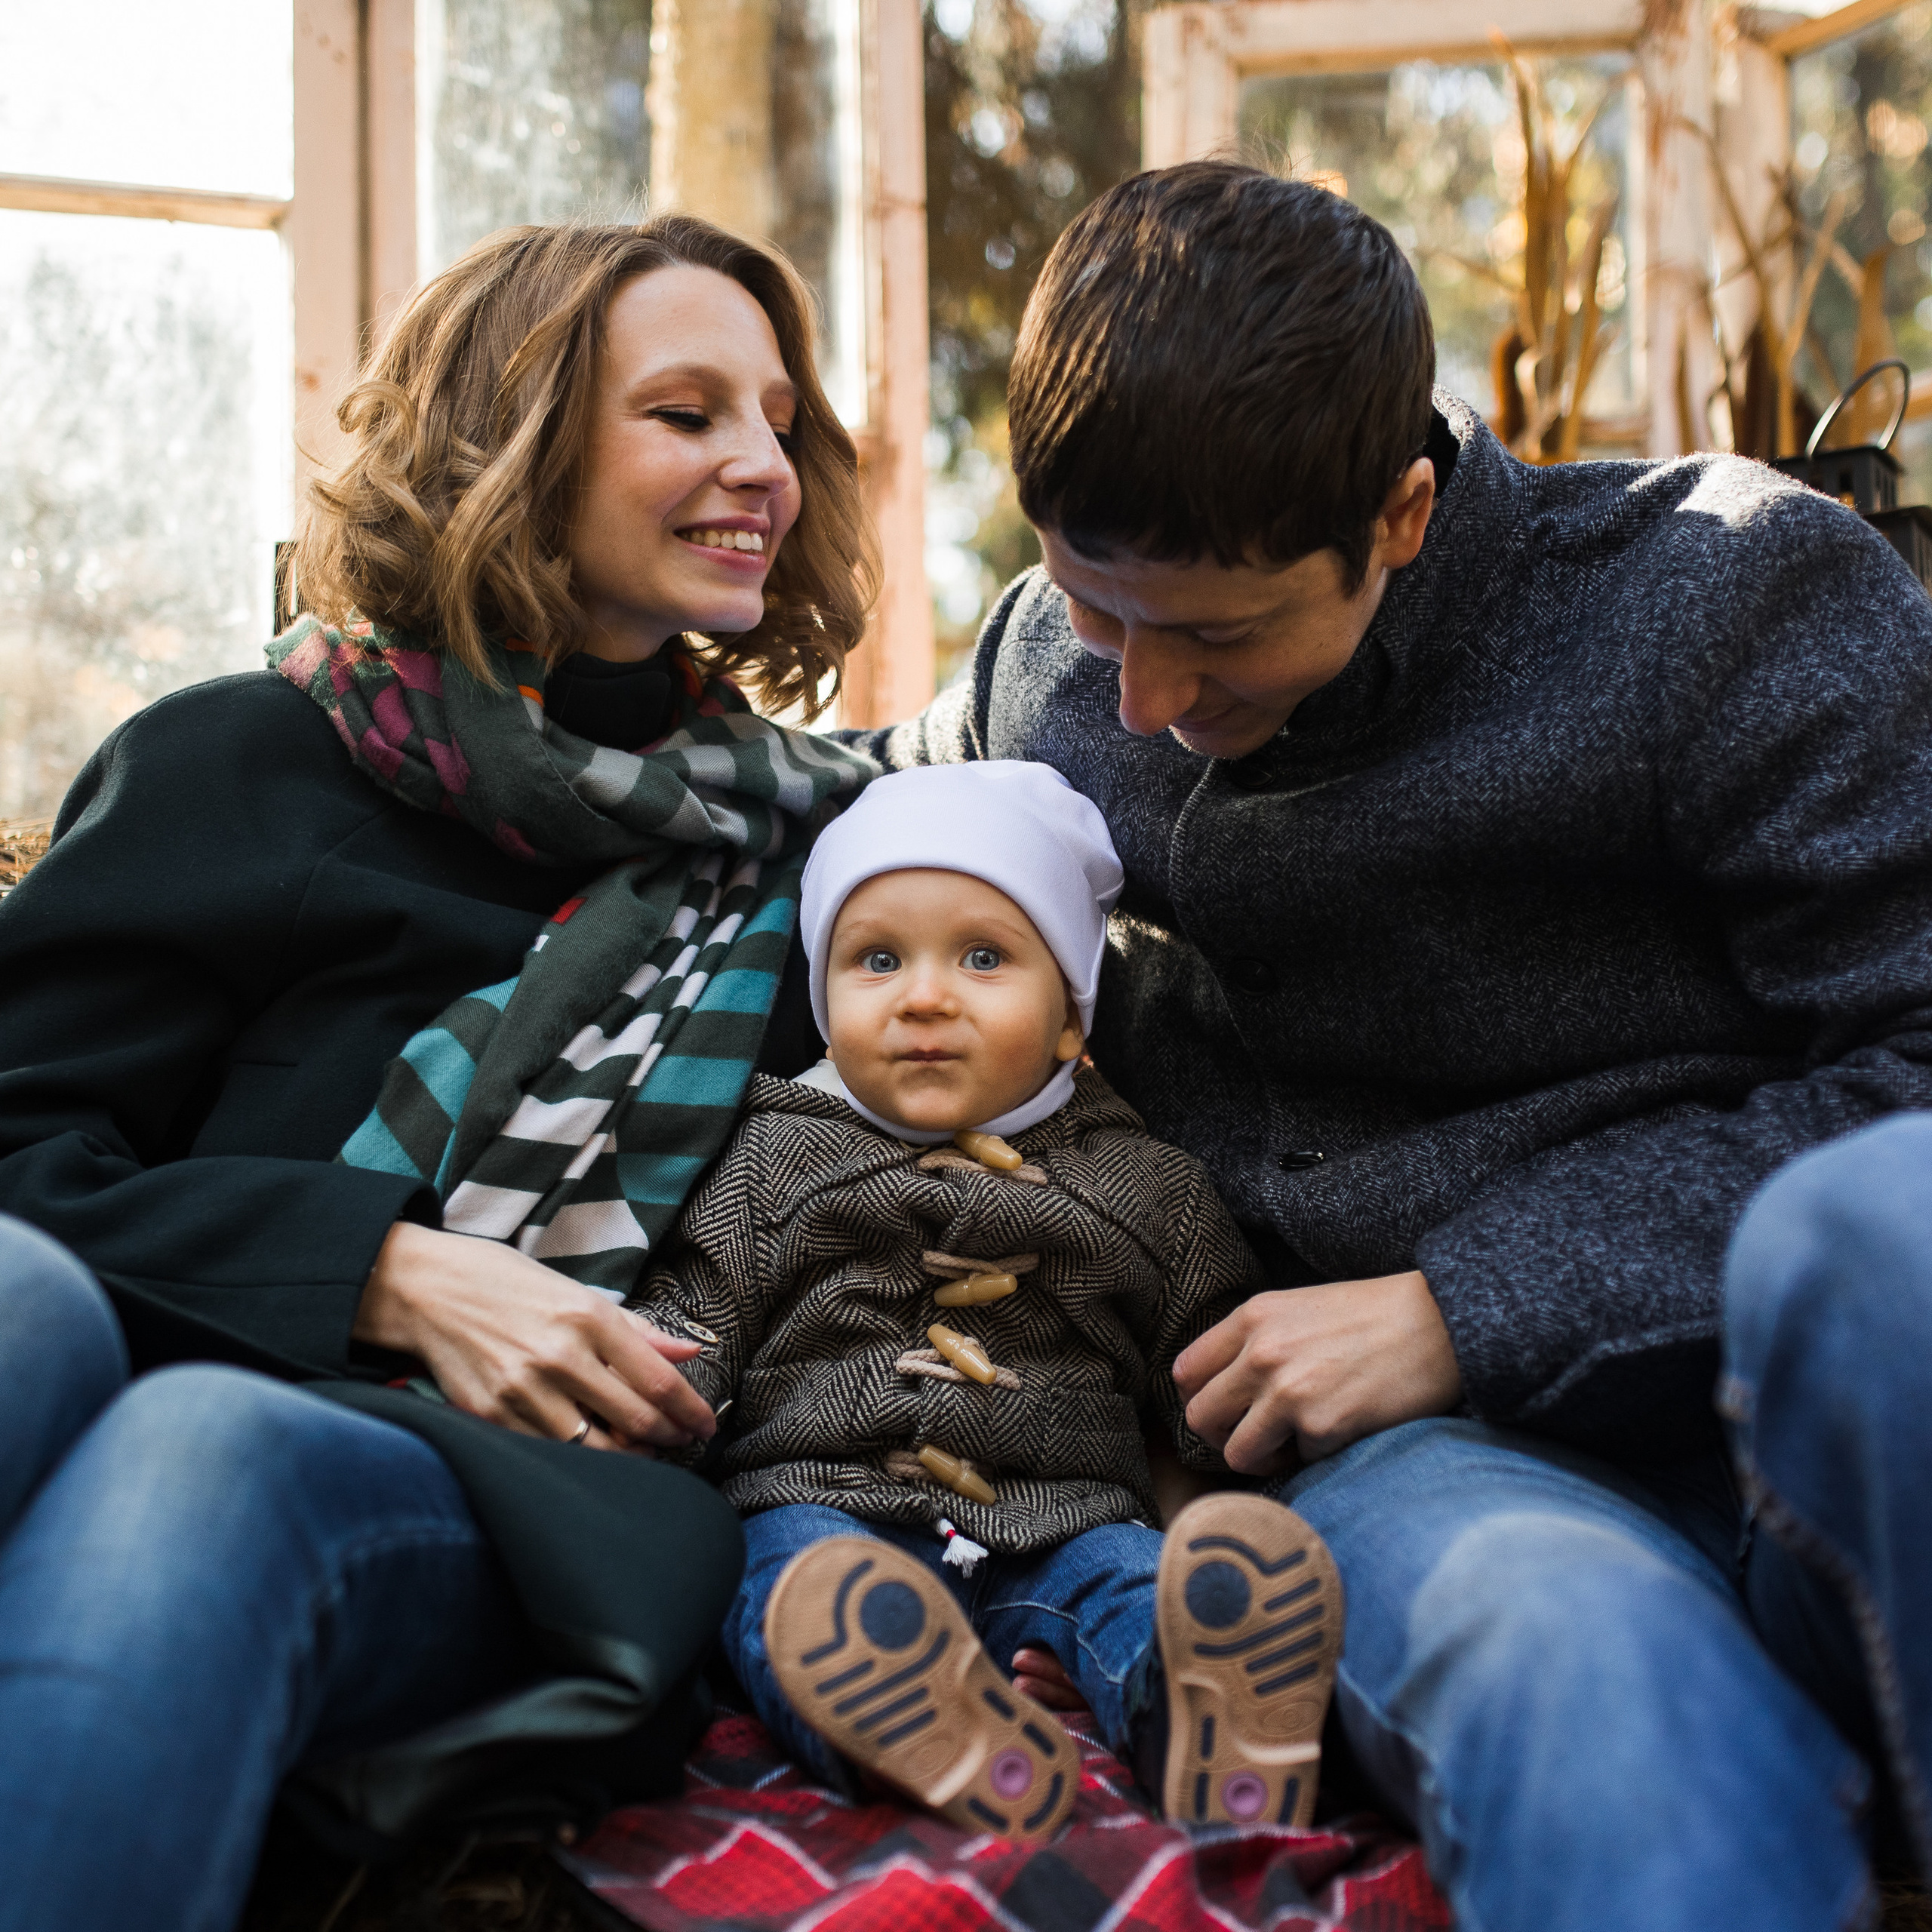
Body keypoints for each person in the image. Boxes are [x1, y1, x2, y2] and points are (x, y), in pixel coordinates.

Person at [848, 161, 1932, 1929]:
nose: (1137, 698)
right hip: (1451, 1492)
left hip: (1803, 1393)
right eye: (1094, 605)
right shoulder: (1051, 662)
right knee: (1568, 1669)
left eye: (1212, 633)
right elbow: (845, 818)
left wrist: (1466, 1302)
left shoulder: (1730, 597)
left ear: (1402, 513)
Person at [0, 214, 878, 1932]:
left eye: (778, 416)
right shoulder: (239, 761)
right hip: (126, 1338)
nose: (761, 464)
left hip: (487, 1488)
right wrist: (396, 1273)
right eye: (687, 412)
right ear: (515, 444)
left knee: (209, 1452)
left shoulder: (827, 865)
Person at [629, 759, 1342, 1840]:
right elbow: (695, 1325)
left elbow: (1209, 1388)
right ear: (825, 1007)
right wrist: (641, 1415)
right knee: (784, 1591)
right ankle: (912, 1724)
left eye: (982, 957)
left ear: (1070, 1019)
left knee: (1131, 1587)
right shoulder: (770, 1157)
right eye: (875, 960)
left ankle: (1207, 1721)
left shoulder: (1148, 1189)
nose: (924, 996)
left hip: (1060, 1521)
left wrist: (1225, 1507)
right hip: (821, 1502)